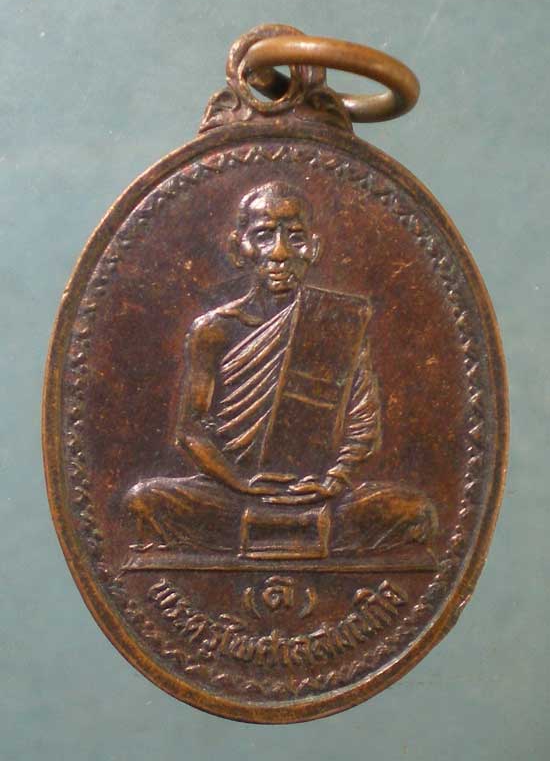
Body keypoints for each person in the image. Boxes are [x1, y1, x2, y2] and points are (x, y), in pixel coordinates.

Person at [125, 181, 437, 557]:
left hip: (319, 495)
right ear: (238, 248)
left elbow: (362, 427)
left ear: (314, 248)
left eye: (295, 237)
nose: (280, 253)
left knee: (414, 511)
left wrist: (333, 480)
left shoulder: (339, 321)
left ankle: (281, 531)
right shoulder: (213, 330)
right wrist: (241, 483)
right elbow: (192, 432)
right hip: (233, 494)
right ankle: (296, 534)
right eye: (263, 236)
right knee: (144, 500)